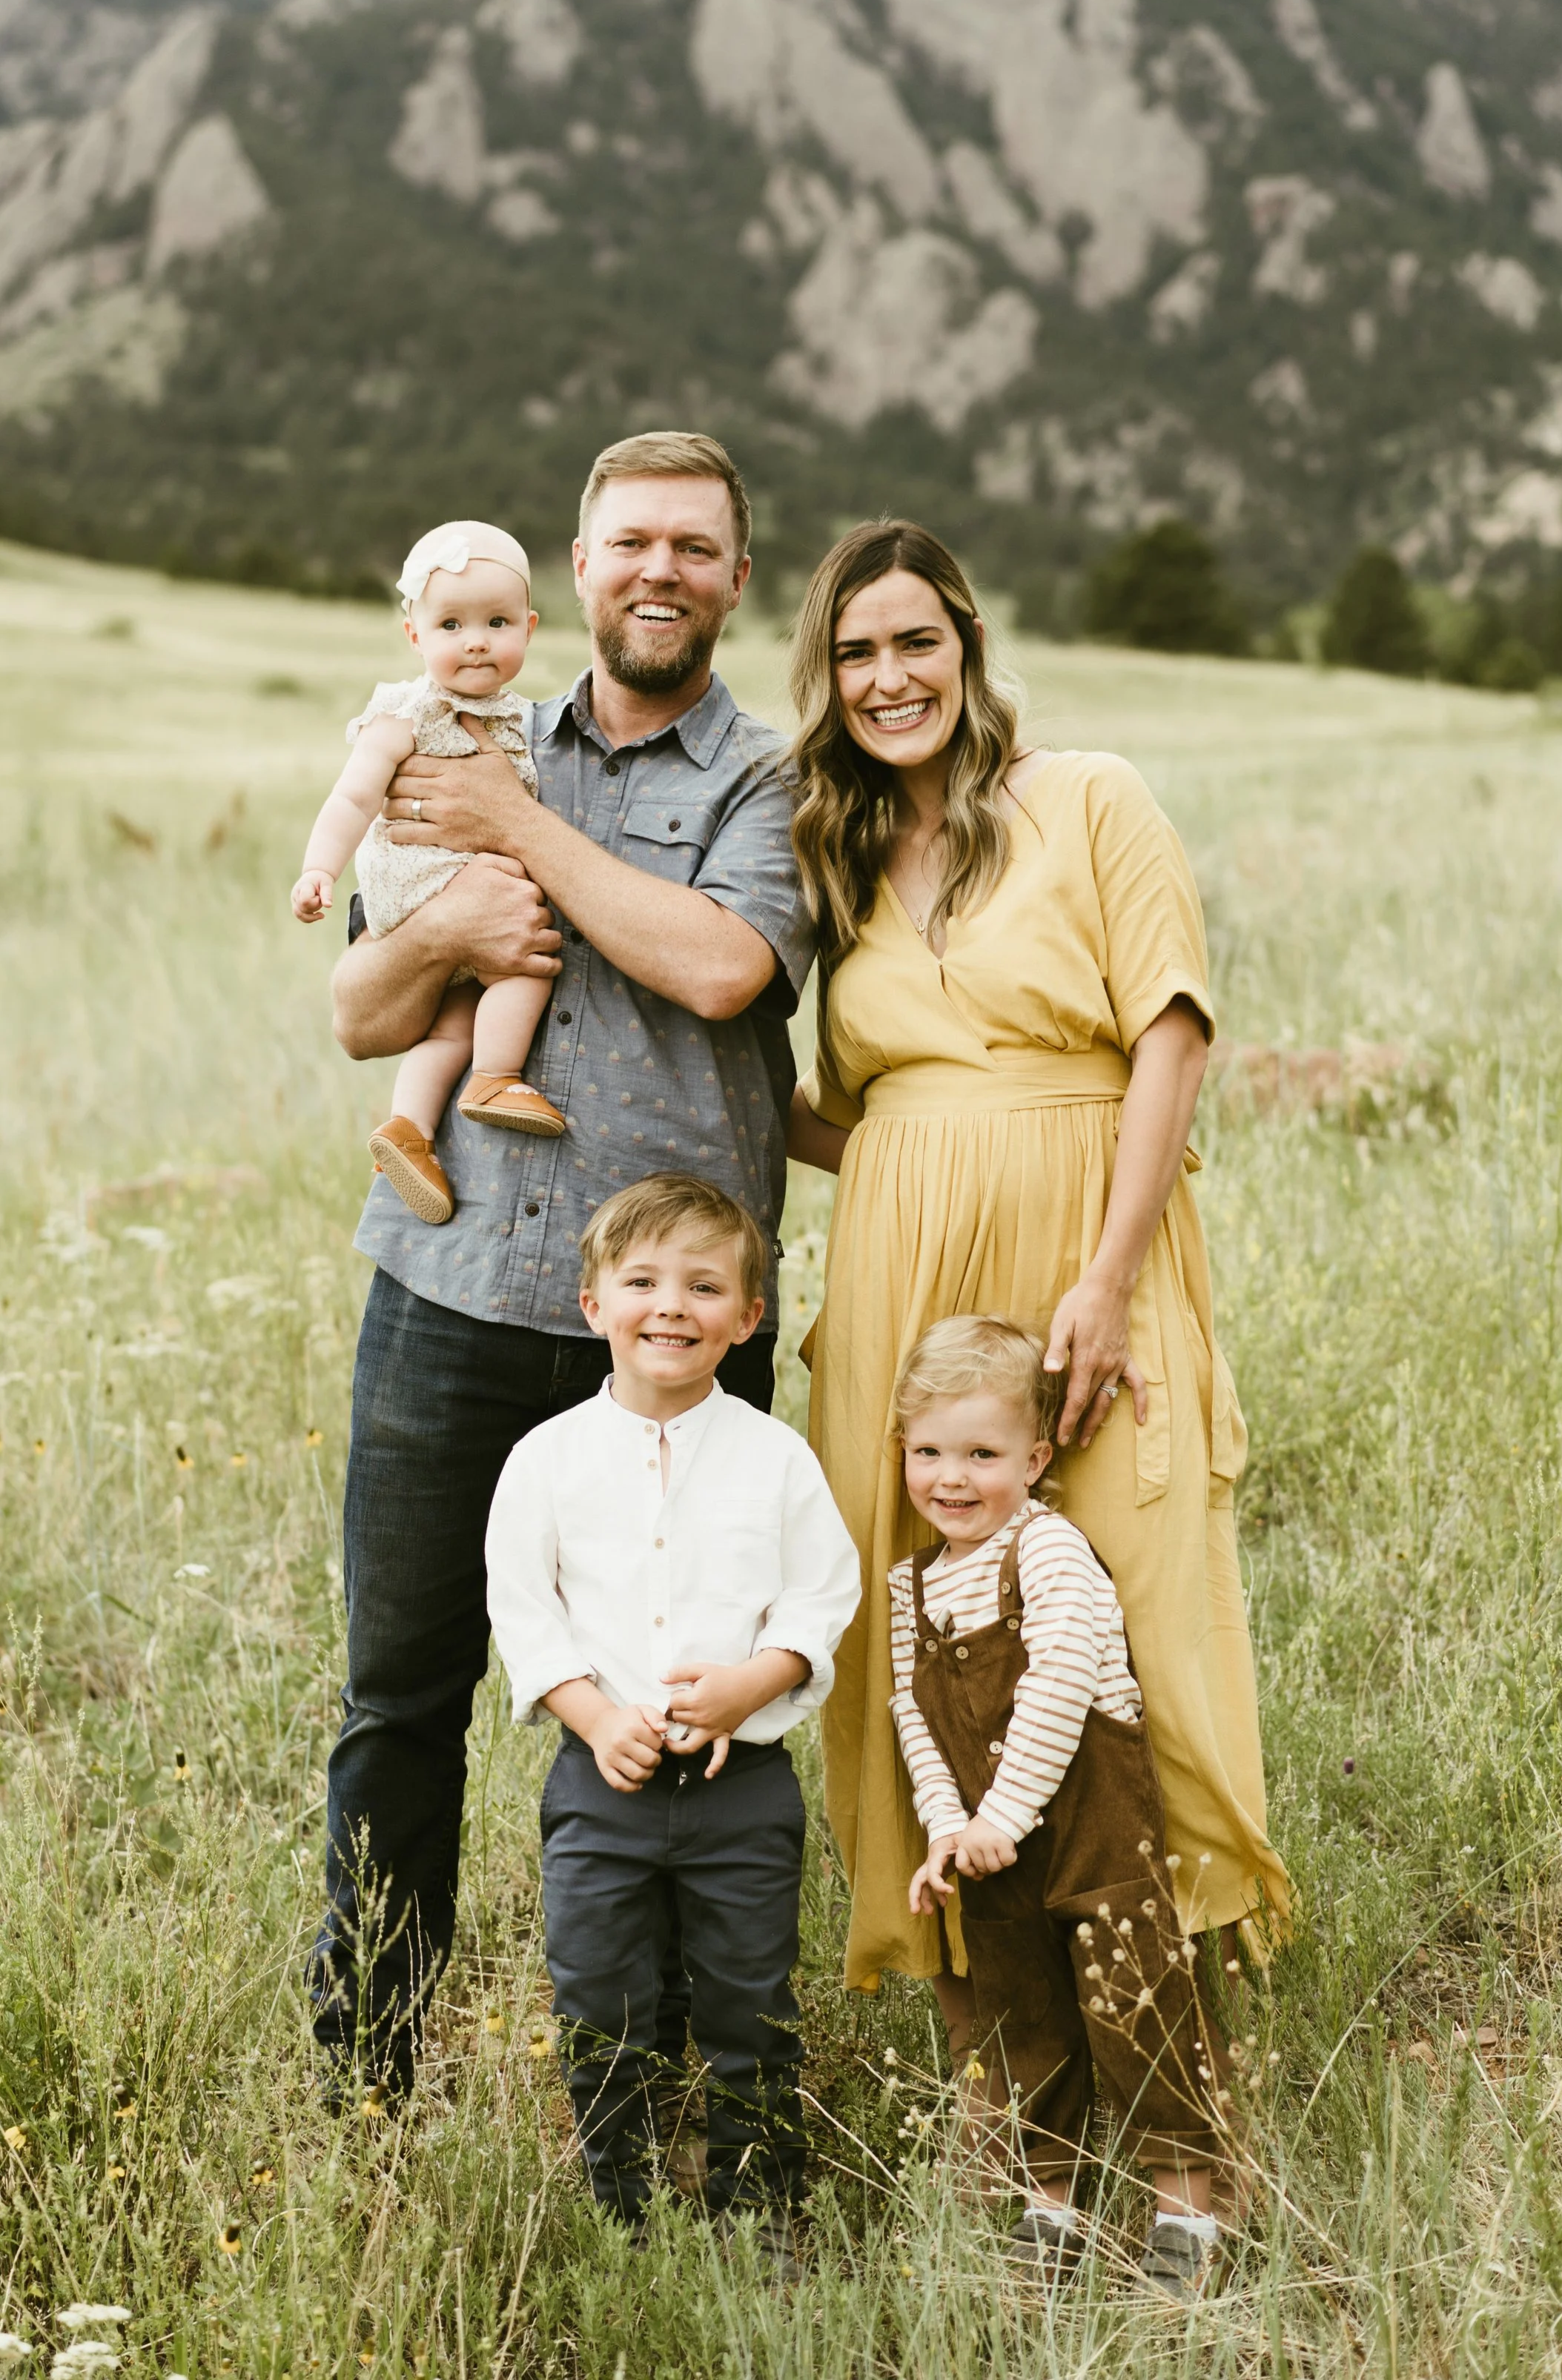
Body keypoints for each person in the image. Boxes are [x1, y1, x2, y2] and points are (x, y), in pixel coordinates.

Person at [308, 433, 813, 2105]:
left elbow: (722, 966)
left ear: (737, 577)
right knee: (402, 1695)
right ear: (575, 570)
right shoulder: (466, 734)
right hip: (448, 1286)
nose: (656, 570)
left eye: (692, 545)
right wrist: (445, 930)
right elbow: (362, 1015)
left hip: (674, 1330)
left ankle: (659, 2071)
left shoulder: (768, 779)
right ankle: (367, 2065)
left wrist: (517, 830)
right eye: (626, 543)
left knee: (679, 1698)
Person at [784, 518, 1290, 2006]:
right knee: (917, 1613)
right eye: (854, 652)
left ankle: (1162, 1990)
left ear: (968, 648)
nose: (888, 678)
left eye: (913, 642)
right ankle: (984, 1997)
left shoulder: (1085, 798)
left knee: (1128, 1600)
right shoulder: (838, 847)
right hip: (901, 1282)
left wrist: (1104, 1276)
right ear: (825, 677)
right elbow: (847, 1106)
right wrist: (891, 1172)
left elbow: (1170, 1034)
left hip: (1087, 1246)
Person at [486, 1176, 859, 2260]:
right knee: (603, 1993)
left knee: (751, 1997)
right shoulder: (546, 1458)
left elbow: (821, 1592)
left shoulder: (774, 1457)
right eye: (642, 1280)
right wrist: (594, 1713)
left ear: (748, 1317)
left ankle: (760, 2200)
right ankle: (625, 2204)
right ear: (593, 1300)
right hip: (599, 1782)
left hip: (740, 1786)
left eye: (704, 1285)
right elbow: (524, 1604)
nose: (671, 1305)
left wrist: (754, 1683)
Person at [890, 1315, 1231, 2301]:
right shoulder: (911, 1583)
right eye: (929, 1451)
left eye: (983, 1453)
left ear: (1036, 1458)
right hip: (994, 1854)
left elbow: (1060, 1681)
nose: (951, 1477)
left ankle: (1188, 2213)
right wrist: (949, 1826)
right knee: (1022, 2021)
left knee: (1140, 2010)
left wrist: (1003, 1813)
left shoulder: (1048, 1552)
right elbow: (913, 1711)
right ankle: (1051, 2208)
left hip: (1092, 1835)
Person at [292, 518, 566, 1227]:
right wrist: (319, 868)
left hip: (453, 882)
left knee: (449, 1025)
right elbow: (353, 796)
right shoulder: (406, 713)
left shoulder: (521, 716)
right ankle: (496, 1078)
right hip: (424, 883)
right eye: (451, 623)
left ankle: (408, 1129)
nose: (476, 639)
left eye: (496, 621)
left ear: (528, 629)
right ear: (415, 635)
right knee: (528, 958)